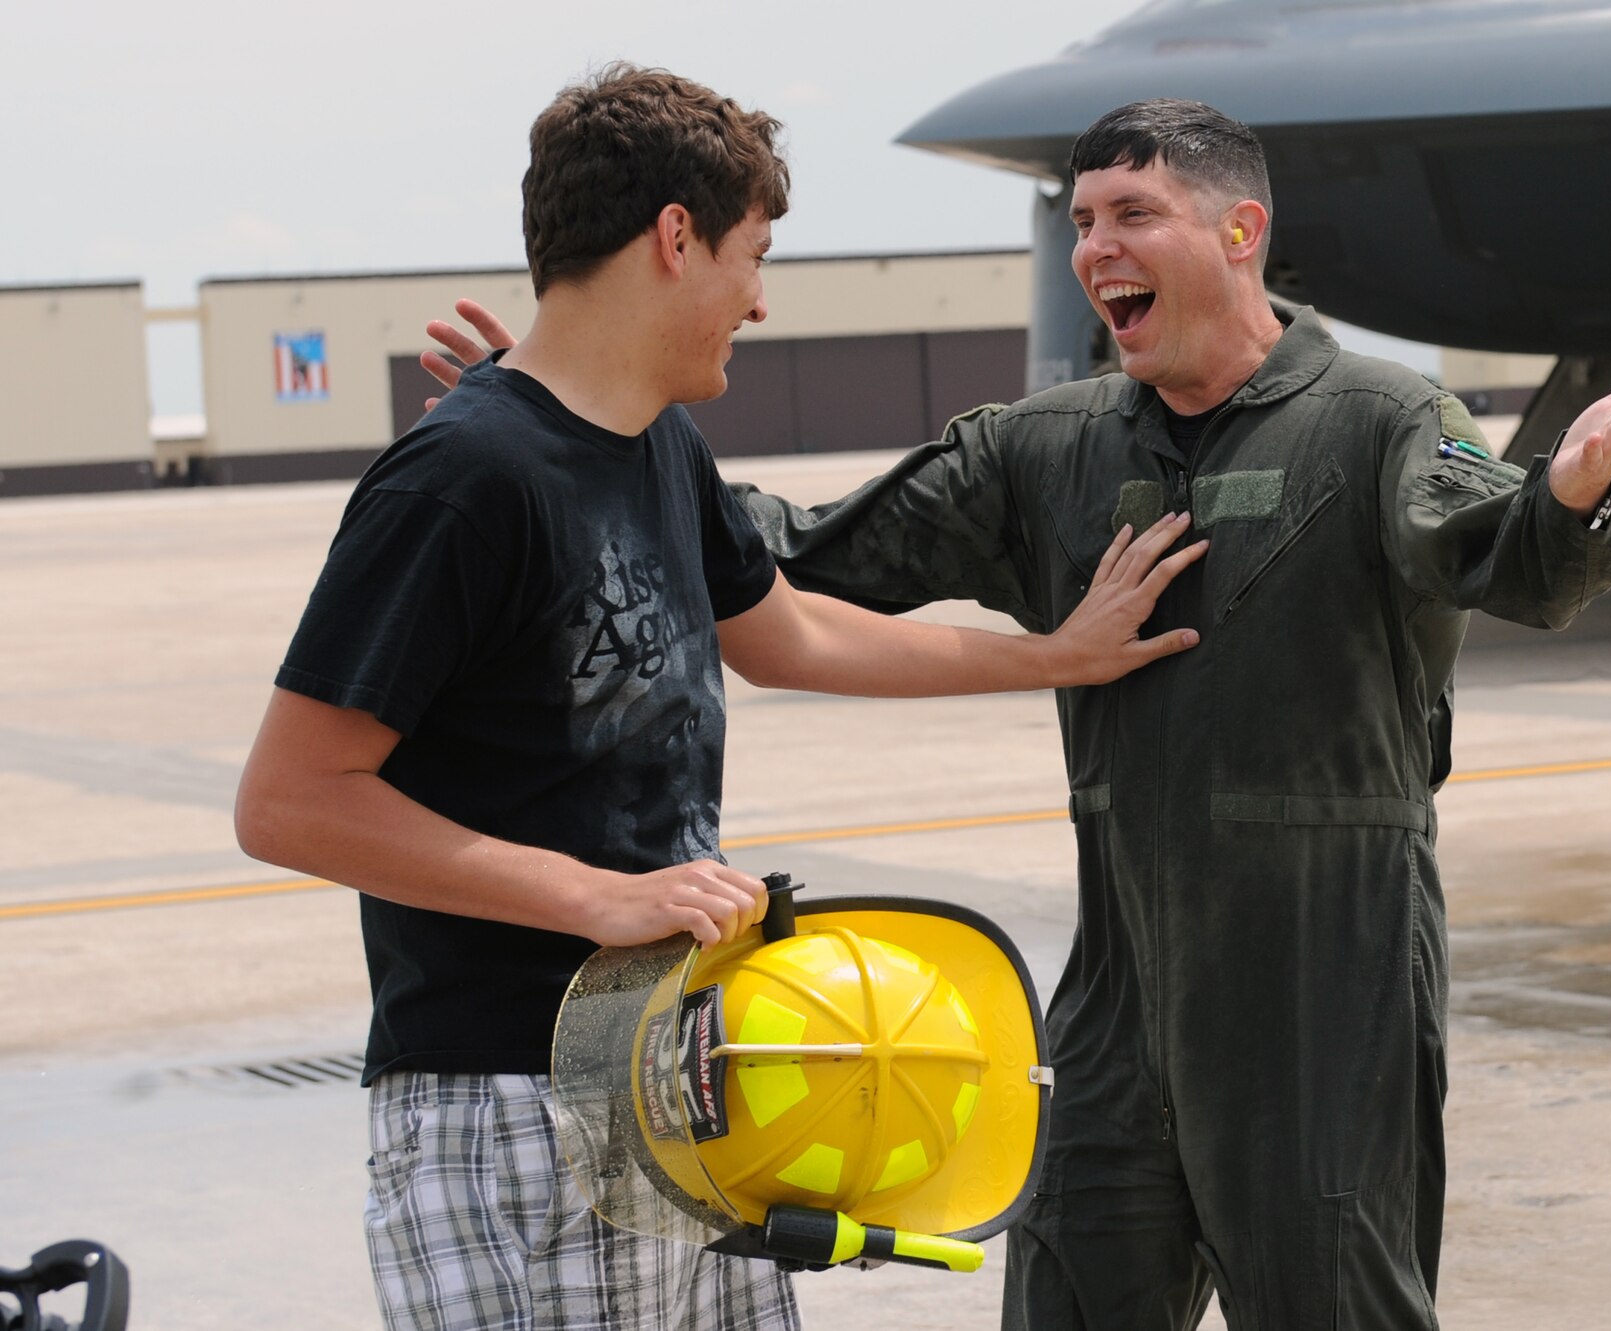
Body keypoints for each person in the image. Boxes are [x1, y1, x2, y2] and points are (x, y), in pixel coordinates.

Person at [425, 97, 1611, 1331]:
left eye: (1133, 214)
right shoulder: (1052, 448)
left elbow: (1505, 554)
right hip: (1118, 998)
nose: (1095, 251)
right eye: (1081, 222)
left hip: (1326, 989)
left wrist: (1570, 493)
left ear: (1239, 231)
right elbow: (796, 553)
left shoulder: (1379, 419)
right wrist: (570, 421)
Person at [233, 67, 1207, 1331]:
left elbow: (787, 632)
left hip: (685, 1076)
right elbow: (289, 803)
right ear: (673, 237)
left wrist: (1057, 654)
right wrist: (601, 898)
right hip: (513, 1097)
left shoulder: (653, 443)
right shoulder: (463, 480)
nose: (757, 298)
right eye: (752, 255)